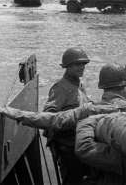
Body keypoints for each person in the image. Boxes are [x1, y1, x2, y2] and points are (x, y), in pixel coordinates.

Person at [42, 48, 91, 184]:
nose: (81, 68)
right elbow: (49, 114)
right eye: (77, 64)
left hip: (79, 138)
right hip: (66, 143)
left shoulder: (79, 84)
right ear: (67, 67)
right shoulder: (60, 88)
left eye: (83, 64)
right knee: (72, 178)